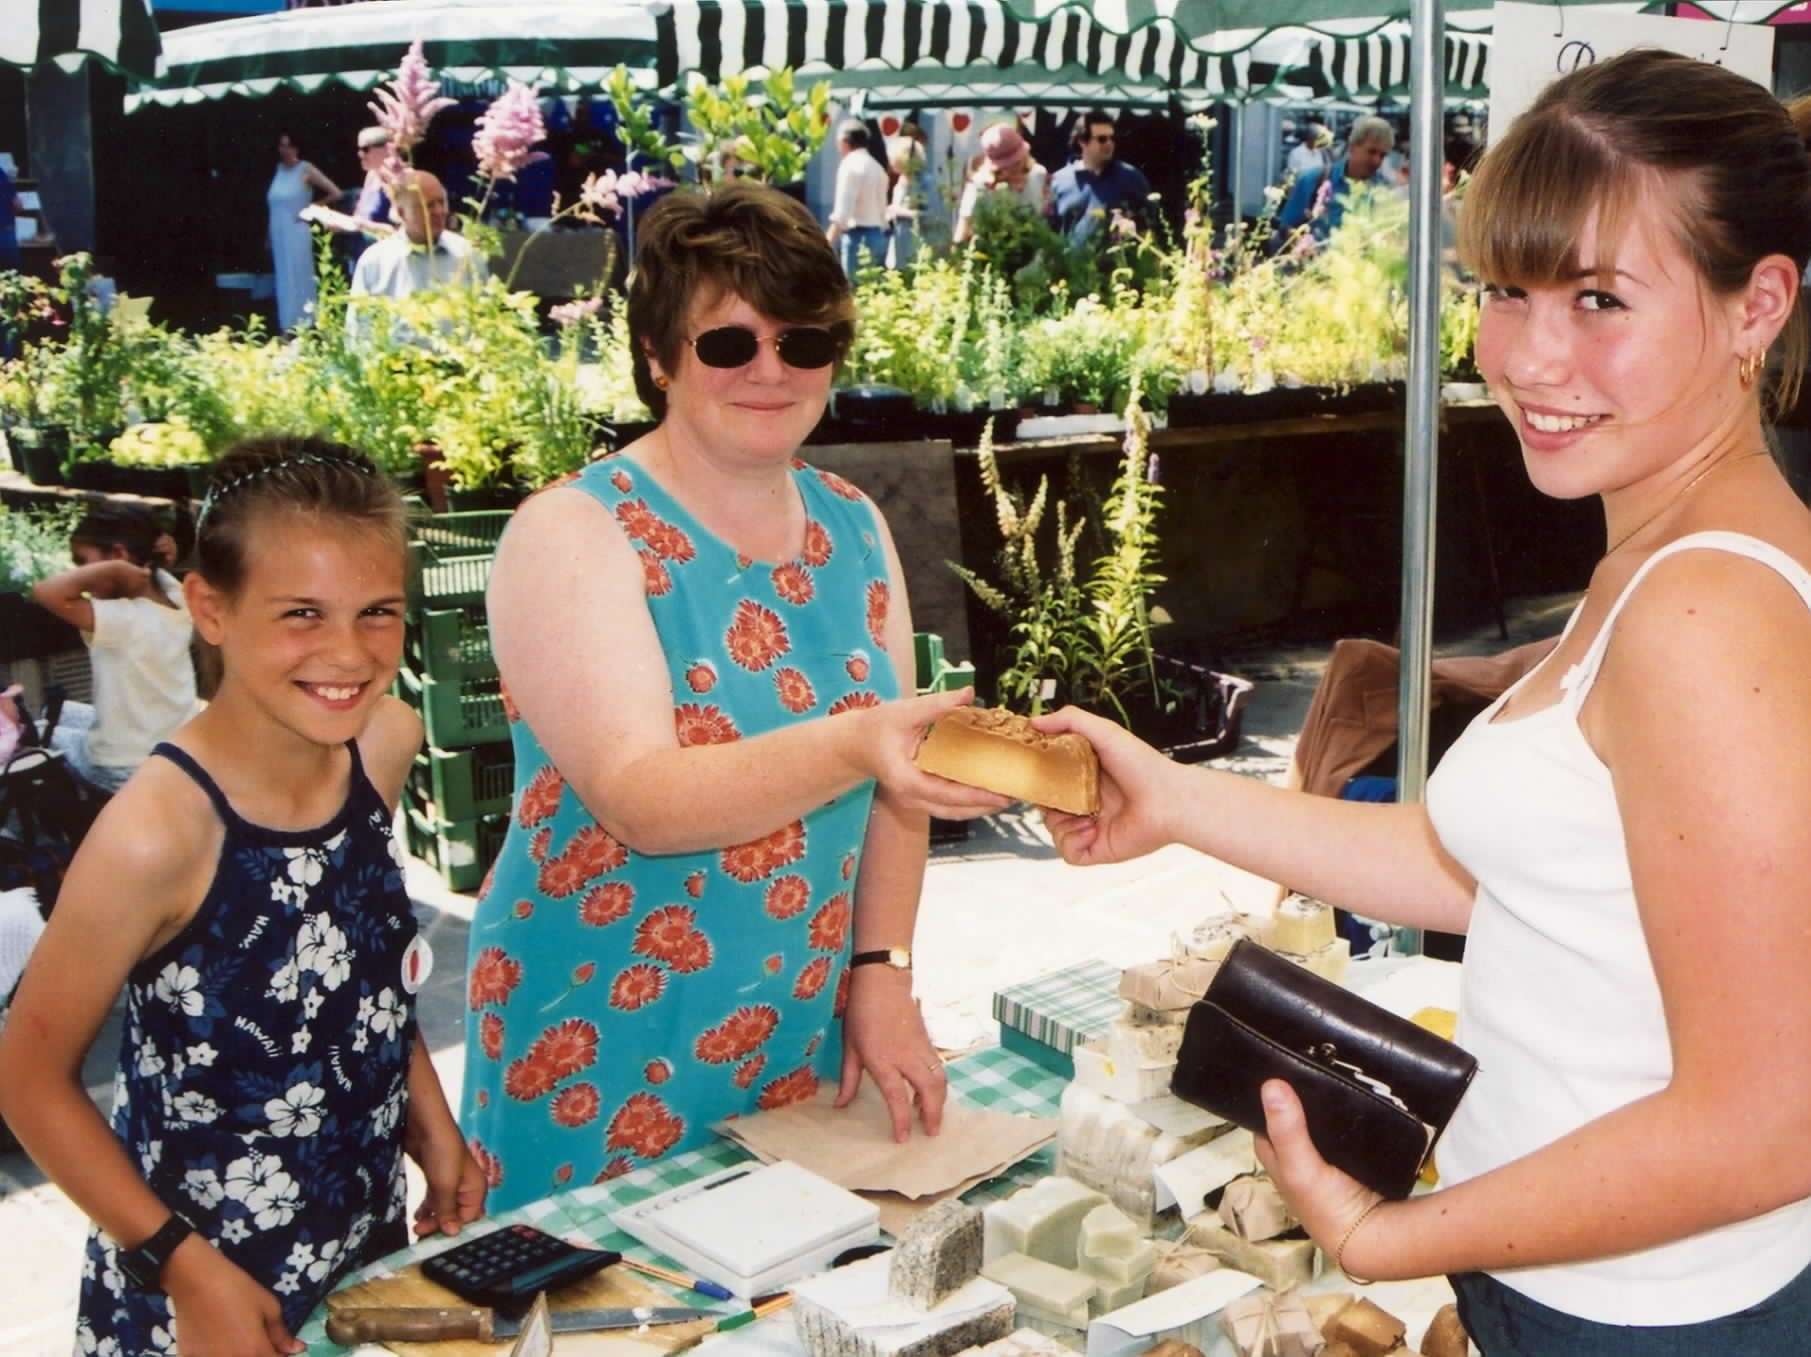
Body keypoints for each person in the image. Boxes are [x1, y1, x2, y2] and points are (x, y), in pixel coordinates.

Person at [1039, 48, 1811, 1354]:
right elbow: (1500, 874)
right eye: (1502, 290)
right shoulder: (1665, 555)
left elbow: (1765, 1121)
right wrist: (1173, 799)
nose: (1526, 353)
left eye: (1596, 297)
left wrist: (1386, 1234)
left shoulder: (1698, 615)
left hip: (1643, 1310)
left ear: (1756, 307)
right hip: (1584, 1273)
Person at [460, 181, 1008, 1208]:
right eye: (727, 345)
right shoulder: (574, 532)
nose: (771, 369)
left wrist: (880, 969)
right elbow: (640, 797)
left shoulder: (851, 524)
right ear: (659, 358)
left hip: (793, 1020)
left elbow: (900, 778)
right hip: (598, 1028)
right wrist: (856, 742)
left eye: (804, 344)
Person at [0, 437, 485, 1356]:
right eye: (302, 613)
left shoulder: (378, 742)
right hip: (197, 1290)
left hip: (360, 1246)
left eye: (377, 612)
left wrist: (432, 1120)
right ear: (209, 608)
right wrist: (183, 1267)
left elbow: (357, 966)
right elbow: (26, 1080)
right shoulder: (157, 832)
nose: (348, 652)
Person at [27, 505, 198, 796]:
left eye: (83, 563)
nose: (80, 573)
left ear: (119, 556)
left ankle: (24, 831)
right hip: (174, 751)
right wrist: (152, 562)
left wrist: (114, 570)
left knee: (34, 733)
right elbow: (155, 578)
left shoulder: (121, 618)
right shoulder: (177, 600)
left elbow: (44, 592)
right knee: (62, 713)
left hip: (123, 768)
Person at [349, 169, 488, 303]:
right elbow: (359, 323)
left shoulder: (466, 254)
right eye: (428, 205)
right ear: (402, 213)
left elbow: (486, 314)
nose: (439, 211)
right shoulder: (376, 261)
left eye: (441, 202)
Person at [1275, 114, 1393, 244]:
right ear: (1352, 147)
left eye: (1382, 155)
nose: (1376, 160)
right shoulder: (1313, 180)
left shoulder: (1385, 192)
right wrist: (1302, 244)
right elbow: (1286, 227)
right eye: (1371, 152)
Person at [266, 132, 341, 332]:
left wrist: (311, 209)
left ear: (297, 148)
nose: (285, 150)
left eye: (289, 145)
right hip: (278, 232)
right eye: (282, 146)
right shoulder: (278, 170)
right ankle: (287, 327)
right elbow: (274, 206)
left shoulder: (305, 169)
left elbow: (335, 192)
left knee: (298, 277)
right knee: (283, 280)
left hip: (297, 229)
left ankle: (306, 325)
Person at [1048, 110, 1152, 246]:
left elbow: (1150, 226)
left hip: (1120, 264)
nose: (1109, 143)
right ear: (1082, 142)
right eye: (1102, 139)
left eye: (1112, 138)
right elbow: (1049, 232)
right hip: (1071, 265)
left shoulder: (1131, 178)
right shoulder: (1059, 181)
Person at [952, 123, 1049, 245]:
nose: (1014, 169)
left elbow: (1043, 219)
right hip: (992, 258)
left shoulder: (1038, 174)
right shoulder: (979, 187)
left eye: (1017, 162)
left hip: (1033, 258)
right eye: (1006, 166)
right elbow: (962, 232)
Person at [825, 120, 890, 279]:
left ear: (844, 141)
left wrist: (825, 243)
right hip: (879, 234)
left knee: (856, 291)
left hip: (858, 237)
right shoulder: (877, 167)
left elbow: (842, 213)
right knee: (876, 291)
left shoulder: (849, 166)